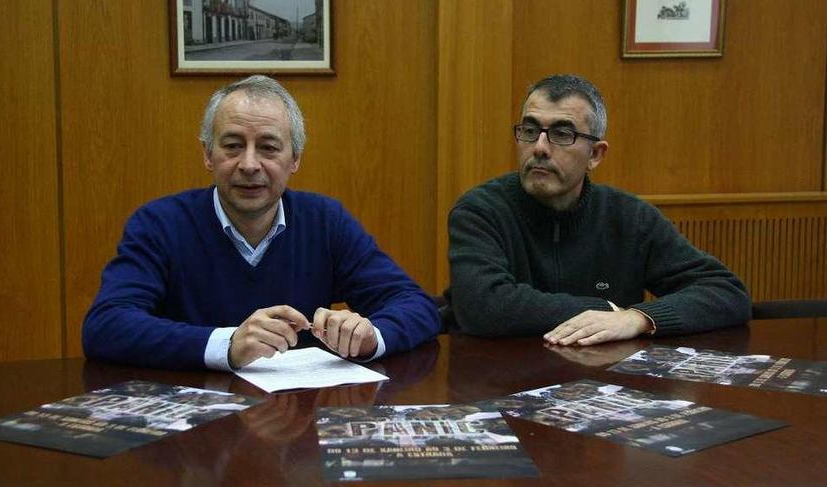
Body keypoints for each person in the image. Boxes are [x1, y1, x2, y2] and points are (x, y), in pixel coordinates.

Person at [83, 75, 439, 370]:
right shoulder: (160, 224)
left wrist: (369, 337)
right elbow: (106, 325)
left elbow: (416, 305)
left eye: (268, 148)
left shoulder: (326, 221)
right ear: (208, 155)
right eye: (233, 146)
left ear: (294, 159)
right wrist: (228, 344)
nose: (249, 164)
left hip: (298, 421)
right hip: (196, 432)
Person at [443, 74, 750, 346]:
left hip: (602, 386)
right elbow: (483, 306)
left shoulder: (629, 217)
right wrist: (608, 310)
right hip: (498, 384)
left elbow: (726, 292)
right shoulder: (480, 210)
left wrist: (638, 318)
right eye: (529, 130)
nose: (539, 147)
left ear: (595, 155)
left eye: (562, 134)